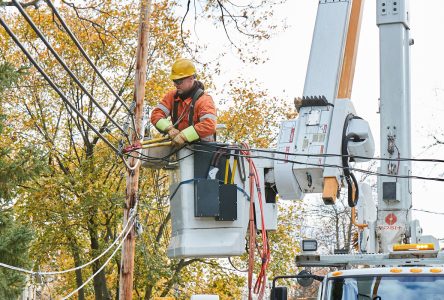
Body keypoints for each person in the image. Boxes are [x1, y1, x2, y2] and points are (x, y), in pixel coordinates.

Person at [150, 58, 217, 147]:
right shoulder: (172, 96)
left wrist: (184, 136)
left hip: (202, 151)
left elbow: (209, 124)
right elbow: (156, 114)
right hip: (180, 149)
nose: (175, 84)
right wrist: (169, 129)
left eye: (179, 81)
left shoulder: (204, 100)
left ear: (191, 78)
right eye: (174, 81)